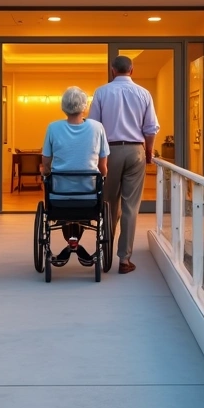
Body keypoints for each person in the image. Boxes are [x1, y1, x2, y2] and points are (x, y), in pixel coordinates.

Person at [87, 55, 159, 274]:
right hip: (136, 150)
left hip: (109, 151)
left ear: (112, 70)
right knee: (130, 207)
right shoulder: (144, 93)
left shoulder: (101, 92)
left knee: (108, 203)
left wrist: (95, 156)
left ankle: (105, 252)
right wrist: (148, 151)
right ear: (132, 70)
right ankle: (125, 259)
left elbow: (94, 127)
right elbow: (151, 128)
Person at [41, 86, 109, 264]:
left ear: (63, 106)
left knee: (64, 204)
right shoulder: (97, 128)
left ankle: (71, 242)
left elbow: (46, 164)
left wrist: (46, 172)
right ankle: (76, 242)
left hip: (59, 198)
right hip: (89, 197)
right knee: (85, 200)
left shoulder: (53, 128)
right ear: (84, 106)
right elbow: (103, 168)